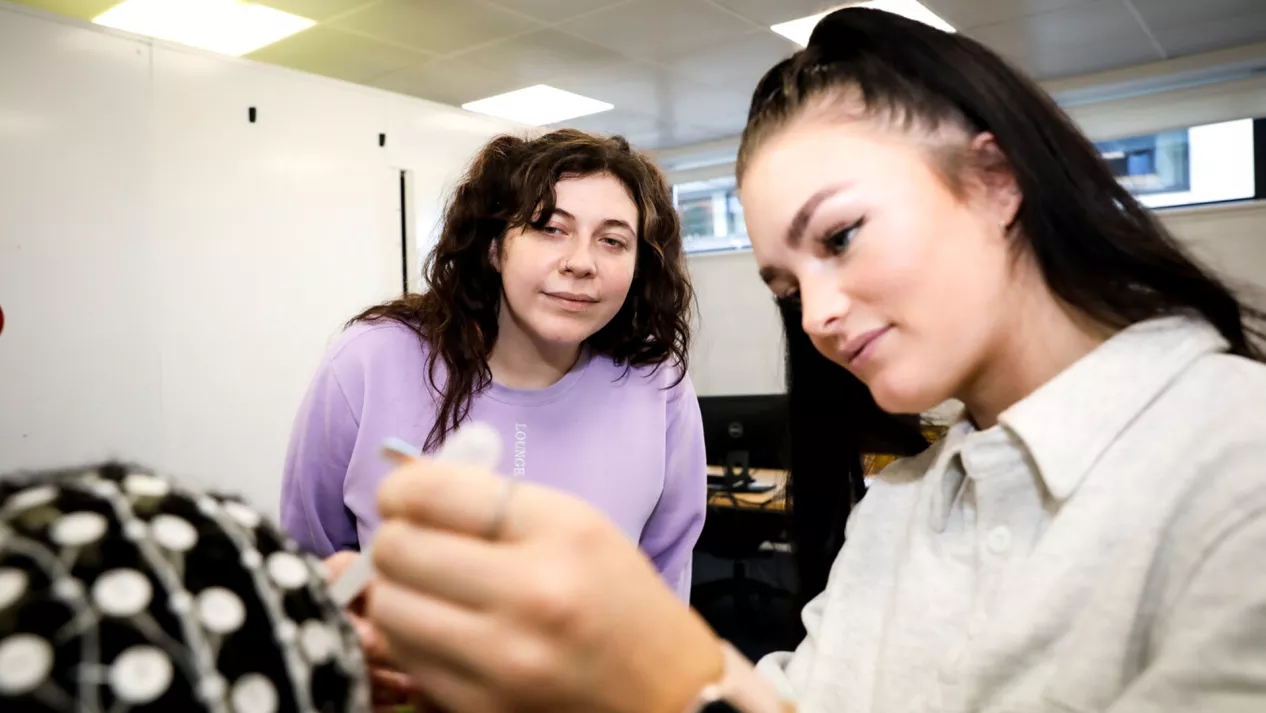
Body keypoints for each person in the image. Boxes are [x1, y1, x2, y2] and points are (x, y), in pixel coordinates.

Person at [357, 7, 1266, 713]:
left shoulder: (1235, 462)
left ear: (994, 181)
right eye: (787, 287)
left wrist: (672, 671)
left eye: (841, 235)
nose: (821, 316)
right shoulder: (901, 510)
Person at [281, 130, 706, 707]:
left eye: (613, 241)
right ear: (494, 247)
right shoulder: (372, 360)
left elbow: (662, 583)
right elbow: (312, 555)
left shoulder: (658, 388)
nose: (581, 262)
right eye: (550, 228)